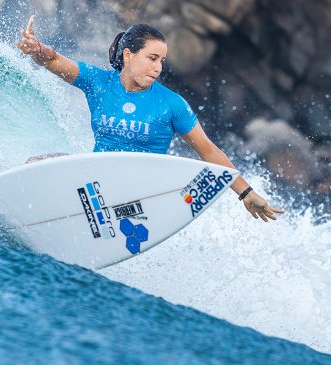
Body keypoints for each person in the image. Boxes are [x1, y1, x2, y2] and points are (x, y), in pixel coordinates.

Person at [16, 16, 285, 222]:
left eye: (162, 61)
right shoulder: (99, 83)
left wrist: (246, 194)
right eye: (152, 58)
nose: (158, 68)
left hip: (140, 193)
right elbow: (53, 60)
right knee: (35, 165)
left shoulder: (171, 104)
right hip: (95, 181)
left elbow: (208, 150)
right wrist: (36, 48)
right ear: (128, 55)